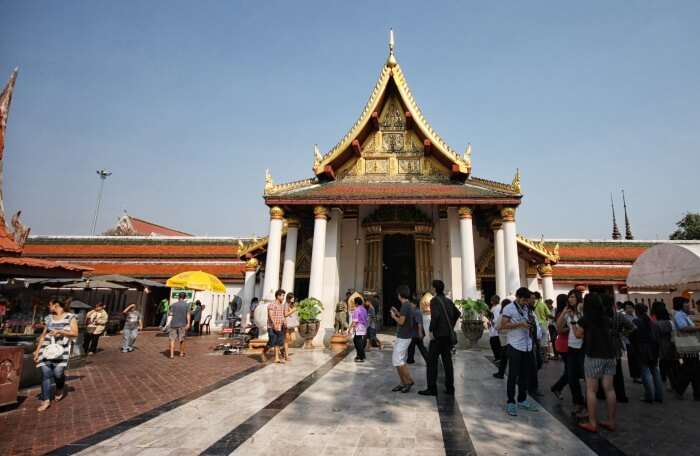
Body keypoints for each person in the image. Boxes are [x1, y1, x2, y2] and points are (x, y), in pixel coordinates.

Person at [575, 293, 617, 433]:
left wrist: (574, 325)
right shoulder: (606, 318)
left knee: (591, 389)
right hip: (610, 355)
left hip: (594, 354)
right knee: (609, 389)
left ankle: (592, 423)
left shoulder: (586, 319)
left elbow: (578, 335)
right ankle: (611, 421)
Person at [33, 299, 78, 412]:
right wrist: (37, 351)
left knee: (58, 373)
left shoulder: (70, 317)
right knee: (46, 374)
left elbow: (75, 333)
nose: (49, 307)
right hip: (46, 349)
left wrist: (60, 332)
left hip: (62, 349)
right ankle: (46, 400)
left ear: (56, 305)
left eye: (50, 304)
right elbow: (43, 336)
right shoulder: (48, 318)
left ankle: (59, 387)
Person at [500, 287, 539, 416]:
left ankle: (522, 399)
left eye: (527, 300)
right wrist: (519, 324)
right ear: (518, 297)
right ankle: (511, 401)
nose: (525, 303)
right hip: (514, 345)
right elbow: (503, 325)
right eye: (524, 300)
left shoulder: (527, 308)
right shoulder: (509, 308)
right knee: (513, 374)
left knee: (524, 375)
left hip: (527, 345)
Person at [419, 280, 460, 396]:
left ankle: (432, 388)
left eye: (432, 287)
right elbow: (457, 313)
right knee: (447, 362)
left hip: (438, 337)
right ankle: (450, 388)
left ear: (435, 289)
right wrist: (450, 326)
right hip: (447, 336)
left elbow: (435, 316)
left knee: (432, 362)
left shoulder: (435, 301)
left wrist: (431, 330)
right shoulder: (448, 301)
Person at [556, 289, 586, 417]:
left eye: (573, 297)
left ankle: (588, 405)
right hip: (571, 348)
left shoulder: (583, 311)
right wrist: (563, 313)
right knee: (572, 377)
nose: (570, 299)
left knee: (586, 377)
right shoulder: (568, 313)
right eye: (569, 297)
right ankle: (578, 403)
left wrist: (579, 312)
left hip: (583, 348)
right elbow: (559, 327)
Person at [632, 303, 663, 403]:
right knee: (655, 371)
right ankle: (659, 395)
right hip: (653, 347)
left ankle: (649, 395)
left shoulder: (636, 321)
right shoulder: (652, 321)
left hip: (642, 348)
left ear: (636, 311)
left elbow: (632, 336)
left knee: (645, 371)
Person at [672, 296, 700, 400]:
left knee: (693, 369)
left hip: (691, 346)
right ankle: (680, 389)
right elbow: (683, 328)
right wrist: (698, 328)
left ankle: (694, 393)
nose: (688, 305)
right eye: (686, 303)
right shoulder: (679, 315)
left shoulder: (684, 314)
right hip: (688, 346)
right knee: (690, 369)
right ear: (681, 305)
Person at [390, 285, 415, 393]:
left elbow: (401, 322)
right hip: (404, 336)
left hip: (404, 337)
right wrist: (397, 313)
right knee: (397, 360)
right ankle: (402, 382)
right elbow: (404, 317)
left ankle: (408, 381)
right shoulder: (407, 305)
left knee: (398, 360)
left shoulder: (405, 305)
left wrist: (393, 316)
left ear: (400, 295)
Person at [651, 302, 679, 394]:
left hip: (662, 346)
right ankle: (676, 383)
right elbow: (674, 332)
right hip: (672, 345)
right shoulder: (670, 322)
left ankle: (671, 384)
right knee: (674, 365)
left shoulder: (656, 324)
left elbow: (655, 337)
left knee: (667, 366)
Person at [550, 294, 570, 399]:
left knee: (570, 370)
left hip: (565, 343)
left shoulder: (560, 312)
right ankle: (557, 387)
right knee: (571, 370)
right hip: (564, 343)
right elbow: (560, 330)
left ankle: (558, 387)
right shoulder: (561, 314)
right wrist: (572, 327)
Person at [623, 301, 642, 384]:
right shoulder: (624, 318)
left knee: (638, 358)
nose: (629, 309)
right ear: (624, 309)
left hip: (637, 341)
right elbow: (623, 331)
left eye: (630, 307)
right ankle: (635, 376)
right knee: (632, 359)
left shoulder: (636, 317)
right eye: (627, 308)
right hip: (629, 341)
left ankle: (639, 375)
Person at [493, 298, 512, 379]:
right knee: (511, 358)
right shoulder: (513, 314)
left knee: (504, 358)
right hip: (512, 339)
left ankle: (501, 373)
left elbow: (497, 326)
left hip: (504, 339)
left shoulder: (503, 315)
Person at [168, 292, 191, 359]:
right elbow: (188, 315)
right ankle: (181, 353)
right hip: (182, 324)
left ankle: (171, 355)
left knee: (172, 339)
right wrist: (188, 323)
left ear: (178, 297)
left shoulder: (173, 305)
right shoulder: (187, 305)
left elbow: (170, 314)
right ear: (185, 297)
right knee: (182, 339)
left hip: (173, 324)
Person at [407, 298, 428, 364]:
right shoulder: (414, 311)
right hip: (413, 333)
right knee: (412, 347)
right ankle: (410, 360)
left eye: (411, 304)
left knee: (420, 347)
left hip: (416, 334)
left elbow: (419, 324)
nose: (410, 305)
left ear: (415, 304)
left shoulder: (417, 312)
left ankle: (410, 360)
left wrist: (420, 333)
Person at [267, 289, 286, 363]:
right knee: (273, 342)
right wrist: (274, 324)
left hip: (280, 326)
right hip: (272, 327)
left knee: (278, 342)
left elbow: (282, 316)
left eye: (284, 296)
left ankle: (277, 358)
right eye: (282, 295)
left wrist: (284, 322)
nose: (283, 297)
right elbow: (271, 315)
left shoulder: (281, 305)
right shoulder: (272, 304)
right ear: (278, 296)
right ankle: (264, 351)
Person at [350, 296, 368, 362]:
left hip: (358, 326)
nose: (354, 304)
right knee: (358, 340)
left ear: (356, 303)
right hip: (363, 326)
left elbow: (355, 320)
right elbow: (366, 319)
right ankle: (359, 355)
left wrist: (352, 328)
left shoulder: (357, 310)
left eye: (354, 303)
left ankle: (361, 356)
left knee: (357, 341)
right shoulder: (364, 309)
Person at [283, 292, 299, 362]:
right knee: (286, 340)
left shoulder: (291, 305)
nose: (293, 298)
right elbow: (285, 314)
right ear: (289, 298)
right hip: (287, 324)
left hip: (291, 324)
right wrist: (293, 310)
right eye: (292, 297)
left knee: (293, 338)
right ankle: (286, 356)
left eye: (293, 297)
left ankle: (283, 348)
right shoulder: (286, 305)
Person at [487, 295, 502, 362]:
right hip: (493, 329)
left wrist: (491, 322)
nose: (491, 301)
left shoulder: (497, 308)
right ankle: (497, 357)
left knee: (495, 344)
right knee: (494, 343)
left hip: (495, 329)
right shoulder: (494, 307)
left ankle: (498, 357)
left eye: (492, 300)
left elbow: (496, 318)